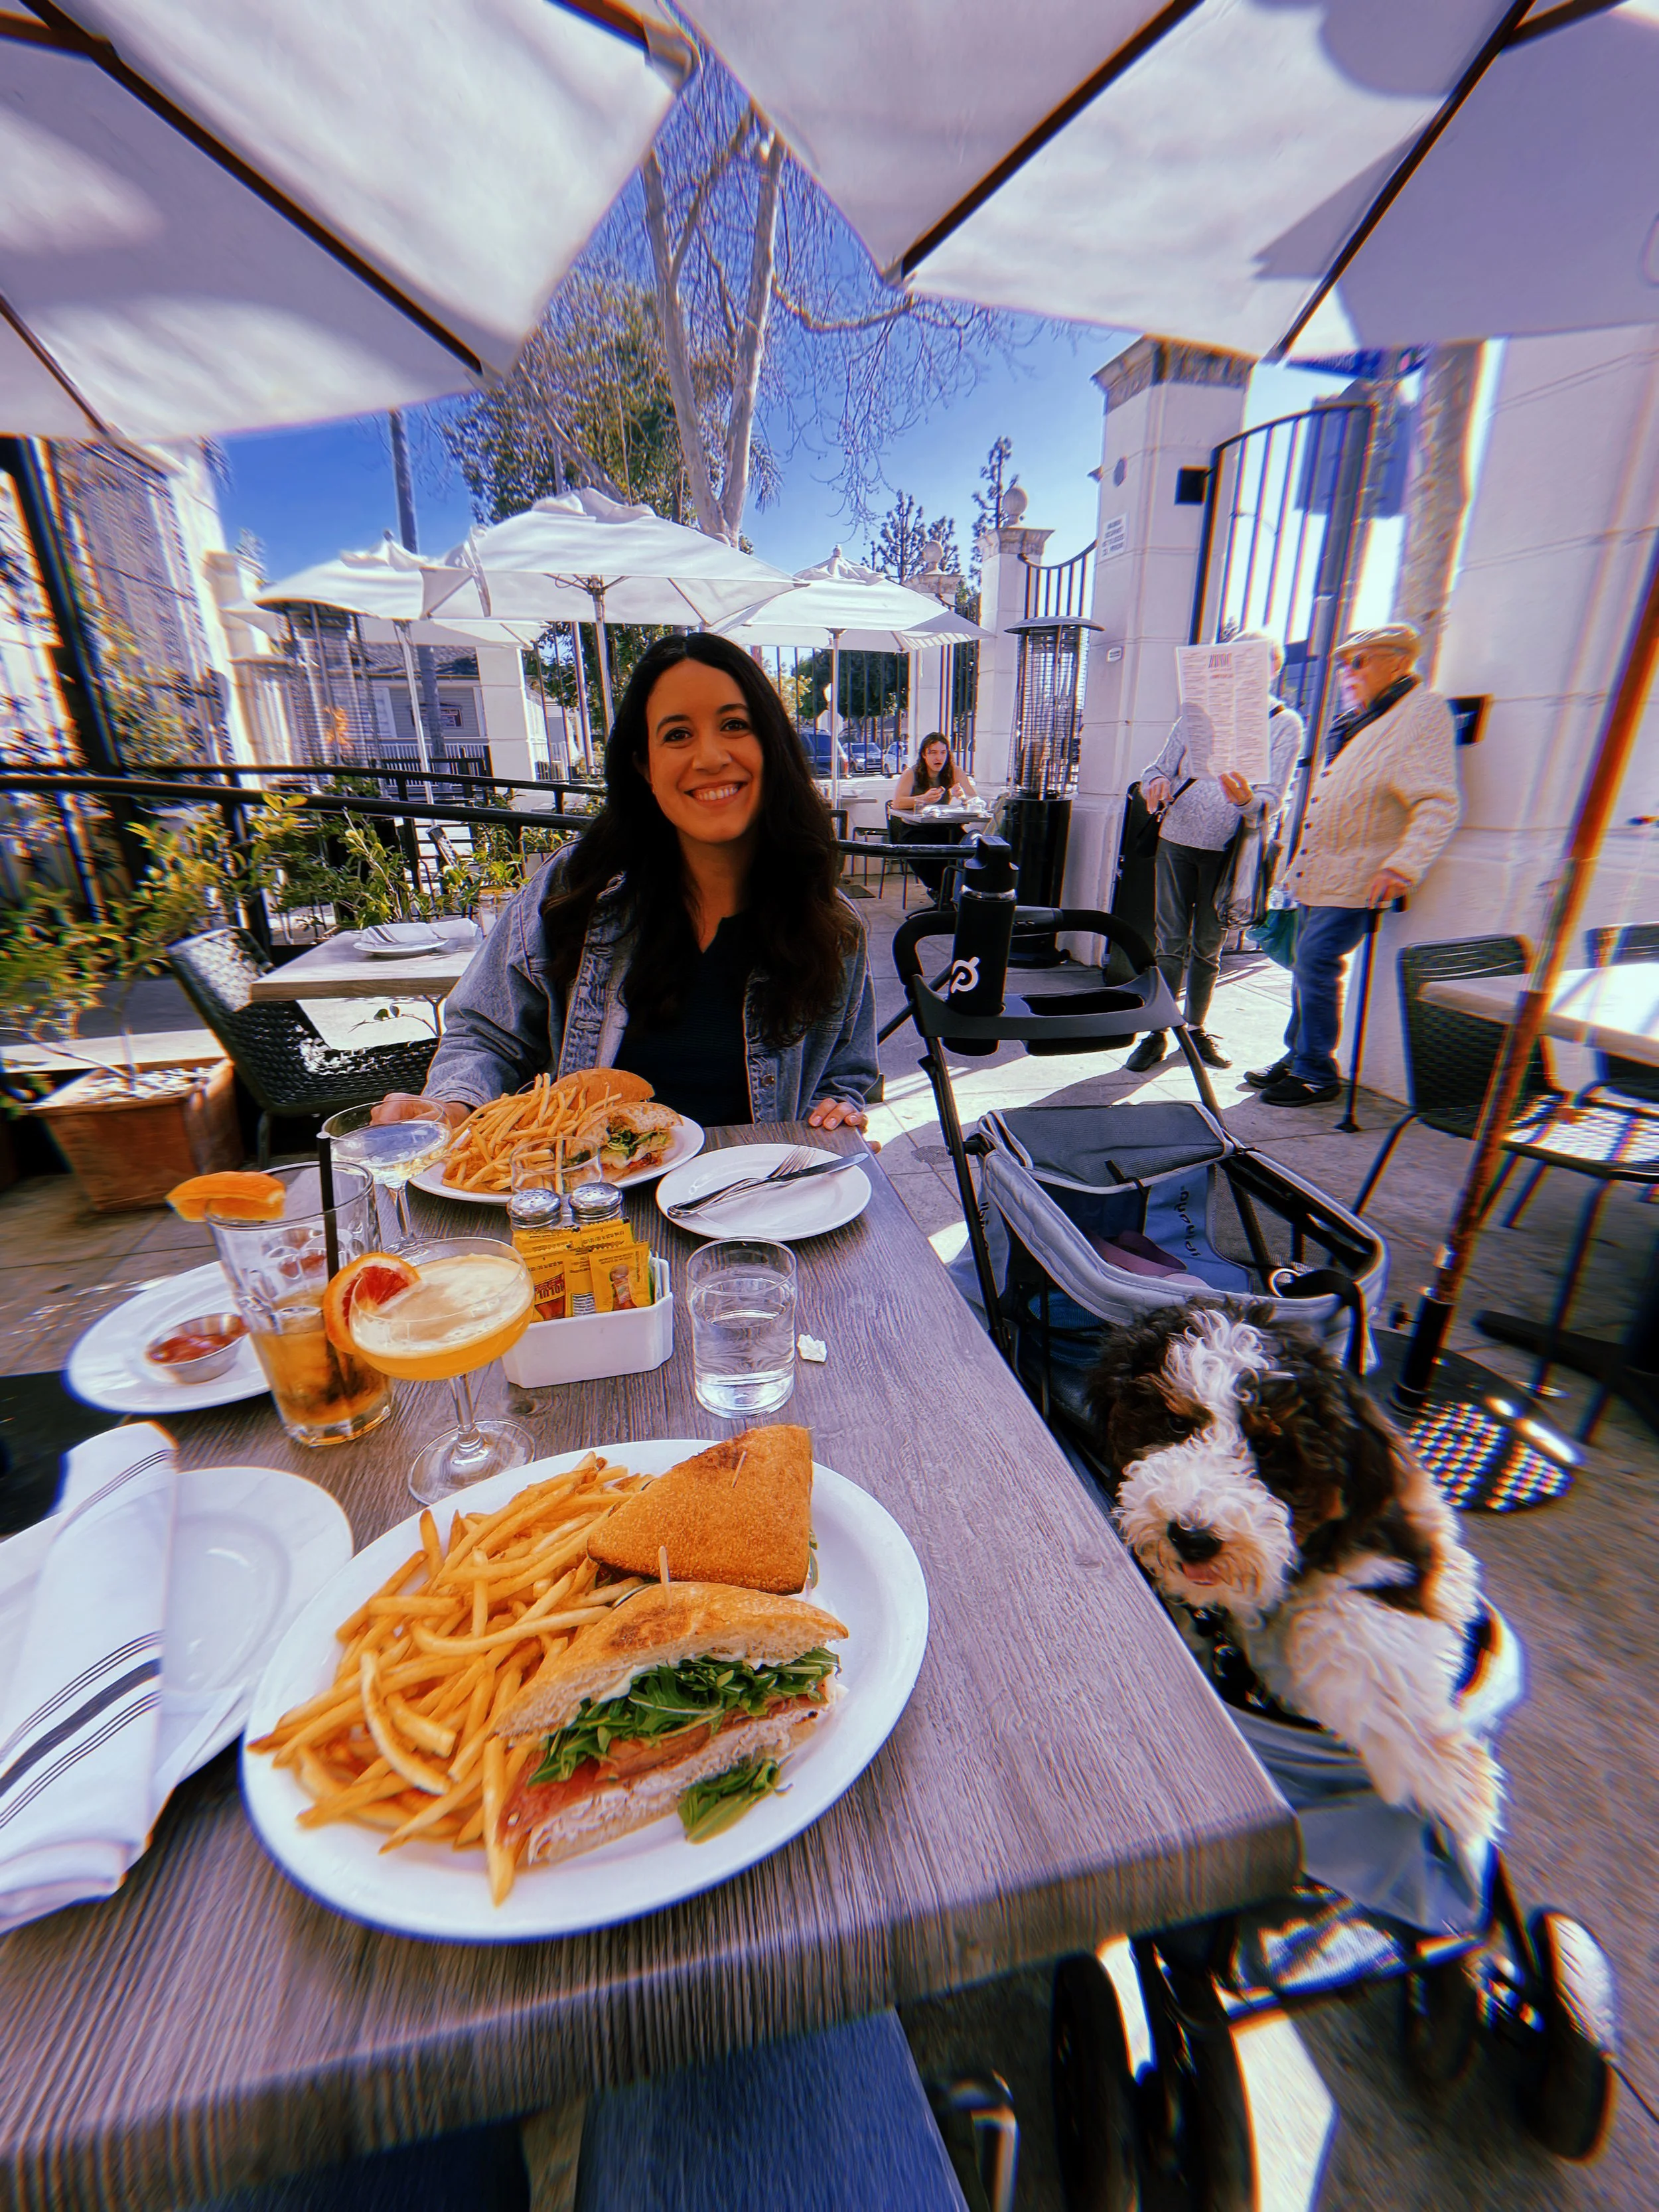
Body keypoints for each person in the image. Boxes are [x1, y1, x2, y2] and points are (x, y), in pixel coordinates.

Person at [372, 632, 879, 1137]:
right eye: (677, 734)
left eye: (734, 725)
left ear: (772, 746)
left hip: (759, 1202)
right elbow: (486, 1033)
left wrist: (835, 1110)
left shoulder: (831, 927)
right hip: (593, 1202)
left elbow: (845, 1071)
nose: (709, 756)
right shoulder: (574, 887)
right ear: (645, 767)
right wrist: (453, 1104)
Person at [1247, 622, 1461, 1107]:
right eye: (1344, 661)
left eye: (1359, 660)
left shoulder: (1421, 712)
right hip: (1320, 872)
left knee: (1318, 963)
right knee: (1305, 965)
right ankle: (1297, 1056)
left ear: (1399, 662)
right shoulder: (1361, 718)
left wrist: (1403, 866)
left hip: (1360, 875)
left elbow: (1437, 801)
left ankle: (1317, 1072)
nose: (1348, 670)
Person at [1129, 634, 1302, 1072]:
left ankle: (1196, 1027)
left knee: (1209, 944)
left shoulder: (1284, 723)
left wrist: (1246, 799)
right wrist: (1154, 785)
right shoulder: (1197, 713)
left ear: (1272, 669)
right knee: (1169, 941)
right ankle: (1156, 1032)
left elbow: (1272, 800)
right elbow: (1158, 766)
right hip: (1177, 836)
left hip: (1230, 850)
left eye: (1253, 662)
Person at [889, 731, 979, 900]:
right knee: (925, 852)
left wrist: (962, 797)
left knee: (970, 848)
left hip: (945, 828)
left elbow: (975, 800)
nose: (939, 758)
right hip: (915, 828)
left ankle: (956, 894)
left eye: (943, 753)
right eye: (933, 752)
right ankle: (940, 891)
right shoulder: (912, 773)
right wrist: (922, 799)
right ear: (924, 754)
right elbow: (897, 803)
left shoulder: (954, 772)